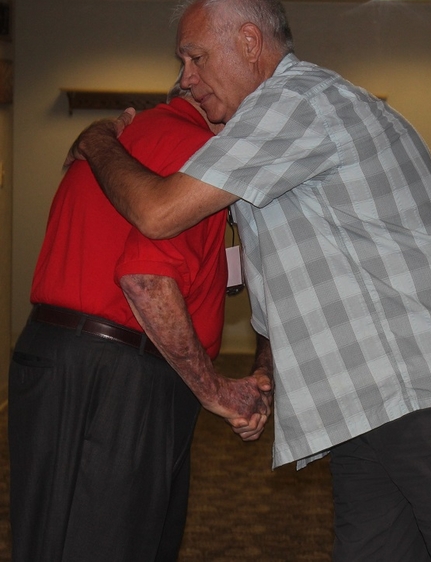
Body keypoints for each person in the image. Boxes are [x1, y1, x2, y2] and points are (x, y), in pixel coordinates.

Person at [66, 0, 431, 562]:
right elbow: (290, 273)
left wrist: (99, 140)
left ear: (250, 41)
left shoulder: (297, 104)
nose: (185, 78)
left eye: (196, 57)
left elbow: (157, 213)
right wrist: (265, 371)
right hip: (374, 398)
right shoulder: (281, 123)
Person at [9, 85, 272, 562]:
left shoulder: (126, 137)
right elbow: (147, 281)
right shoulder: (201, 153)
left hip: (55, 355)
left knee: (52, 541)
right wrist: (215, 389)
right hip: (118, 375)